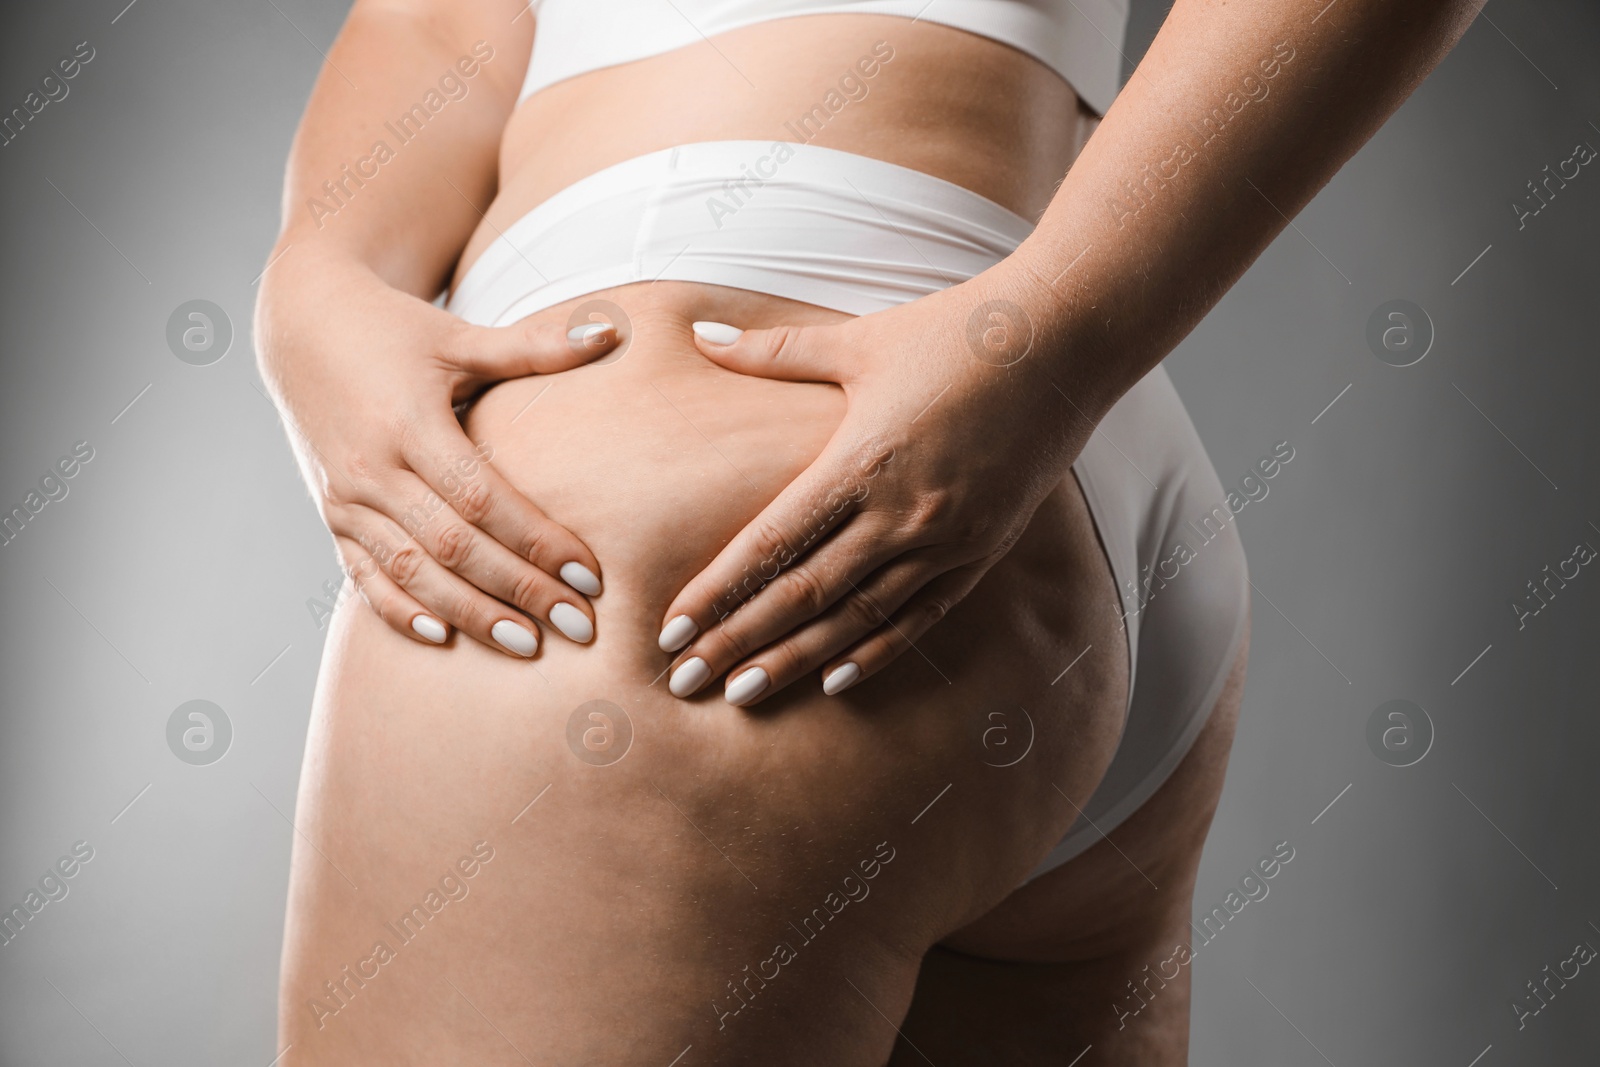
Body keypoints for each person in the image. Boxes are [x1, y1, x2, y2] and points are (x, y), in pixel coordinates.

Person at [255, 0, 1482, 1061]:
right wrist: (314, 275)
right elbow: (440, 20)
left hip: (682, 497)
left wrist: (1051, 336)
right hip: (1073, 472)